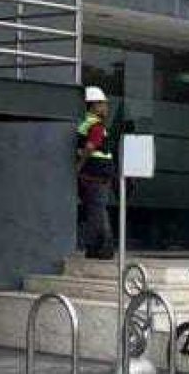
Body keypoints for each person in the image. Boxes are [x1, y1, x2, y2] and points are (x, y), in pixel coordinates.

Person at [75, 86, 115, 260]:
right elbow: (90, 146)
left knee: (93, 212)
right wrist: (79, 165)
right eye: (102, 104)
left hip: (90, 175)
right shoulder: (96, 126)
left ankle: (93, 247)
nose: (106, 107)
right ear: (93, 105)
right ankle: (103, 248)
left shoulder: (84, 123)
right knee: (98, 212)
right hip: (97, 176)